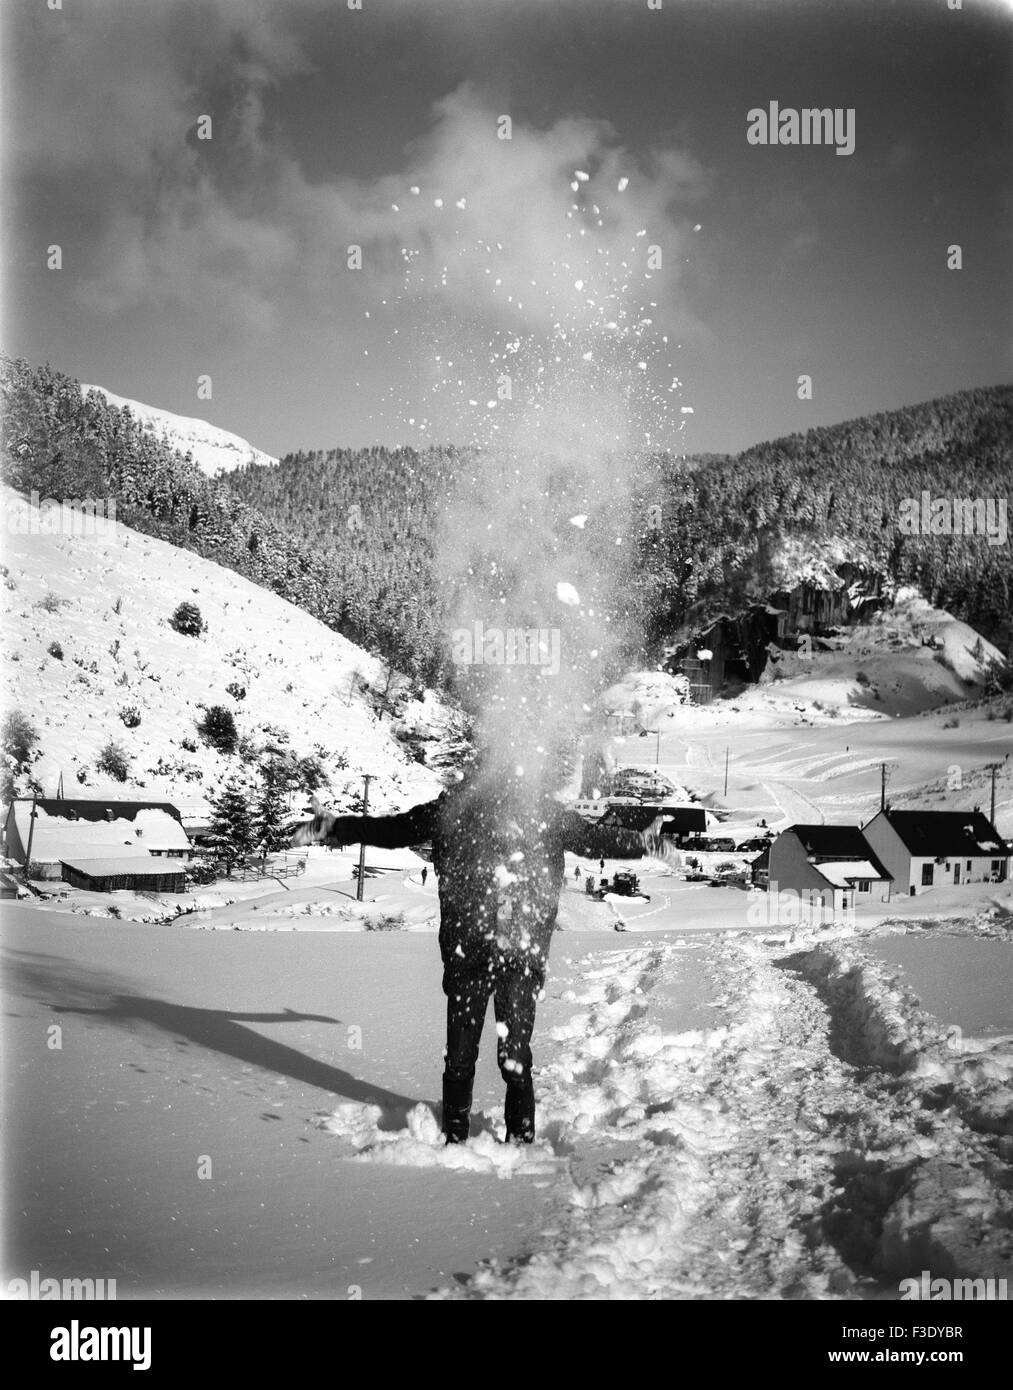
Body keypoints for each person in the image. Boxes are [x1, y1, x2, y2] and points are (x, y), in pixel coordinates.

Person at [292, 770, 657, 1145]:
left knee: (498, 1058)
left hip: (513, 953)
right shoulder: (462, 808)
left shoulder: (537, 811)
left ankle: (505, 1140)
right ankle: (470, 1140)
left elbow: (594, 839)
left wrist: (645, 844)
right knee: (475, 1058)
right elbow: (395, 830)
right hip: (477, 953)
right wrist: (337, 828)